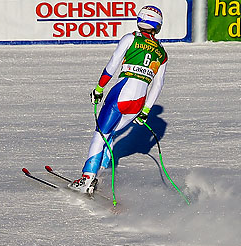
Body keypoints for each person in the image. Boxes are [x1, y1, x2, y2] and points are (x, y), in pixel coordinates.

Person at [68, 5, 168, 195]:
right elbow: (158, 84)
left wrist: (99, 88)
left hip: (120, 95)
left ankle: (87, 178)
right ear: (158, 25)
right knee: (111, 133)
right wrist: (146, 110)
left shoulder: (130, 38)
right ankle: (103, 175)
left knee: (101, 134)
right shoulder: (161, 52)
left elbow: (113, 63)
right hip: (138, 102)